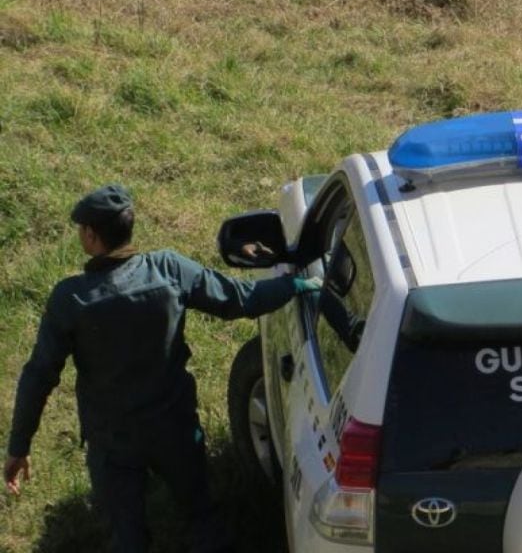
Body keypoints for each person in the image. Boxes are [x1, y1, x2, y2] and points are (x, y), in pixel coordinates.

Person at [4, 184, 322, 553]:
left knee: (128, 536)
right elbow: (239, 300)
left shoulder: (71, 299)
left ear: (91, 236)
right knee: (202, 516)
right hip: (175, 427)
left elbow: (38, 375)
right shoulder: (168, 269)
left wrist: (19, 446)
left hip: (114, 440)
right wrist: (296, 284)